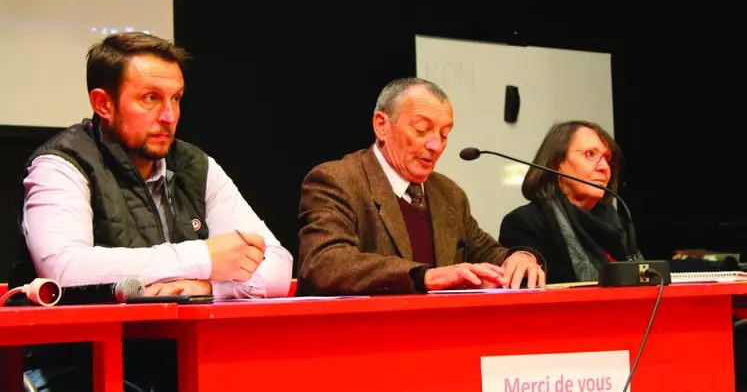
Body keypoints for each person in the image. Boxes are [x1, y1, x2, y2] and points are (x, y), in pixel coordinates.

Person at [10, 32, 293, 390]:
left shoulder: (195, 165)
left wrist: (207, 287)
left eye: (176, 99)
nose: (169, 116)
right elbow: (64, 270)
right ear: (103, 104)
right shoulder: (61, 165)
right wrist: (203, 256)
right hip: (78, 369)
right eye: (150, 99)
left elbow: (278, 262)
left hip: (177, 364)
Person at [297, 77, 545, 296]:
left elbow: (487, 252)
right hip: (364, 338)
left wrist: (520, 257)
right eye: (422, 129)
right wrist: (425, 277)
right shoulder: (337, 180)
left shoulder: (449, 194)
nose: (436, 145)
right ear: (381, 125)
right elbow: (324, 264)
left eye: (445, 134)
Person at [498, 120, 631, 285]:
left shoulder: (615, 223)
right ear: (557, 163)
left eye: (607, 158)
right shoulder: (525, 222)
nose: (604, 167)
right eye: (590, 154)